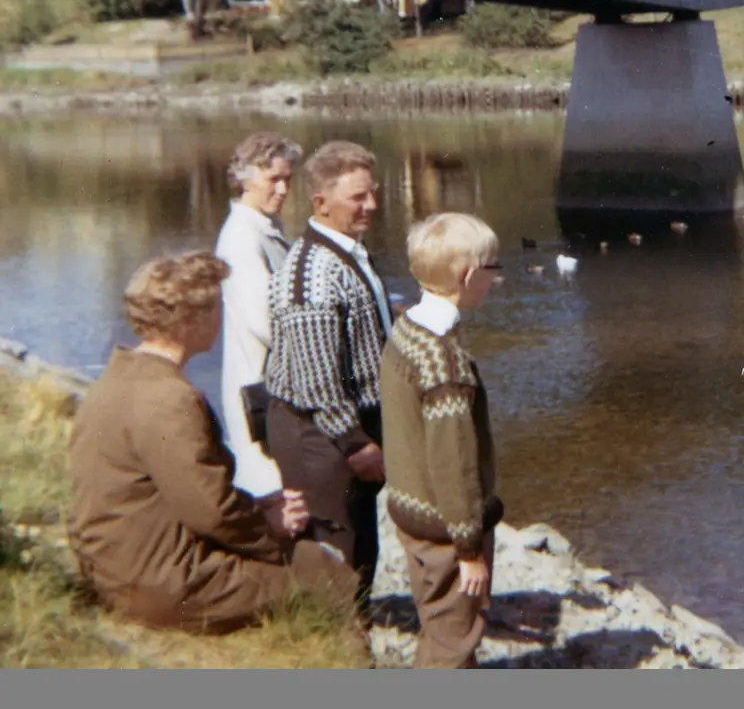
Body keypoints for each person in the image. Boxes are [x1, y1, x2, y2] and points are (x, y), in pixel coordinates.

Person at [66, 252, 359, 635]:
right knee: (325, 571)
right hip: (159, 585)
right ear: (190, 321)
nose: (221, 318)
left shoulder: (114, 380)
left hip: (110, 567)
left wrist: (258, 507)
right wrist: (271, 529)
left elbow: (180, 491)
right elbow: (211, 511)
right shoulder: (171, 400)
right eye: (216, 307)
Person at [265, 141, 392, 610]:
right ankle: (333, 645)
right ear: (321, 202)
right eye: (358, 197)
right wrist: (357, 444)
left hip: (340, 428)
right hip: (319, 433)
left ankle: (353, 633)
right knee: (335, 549)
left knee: (359, 543)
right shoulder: (310, 274)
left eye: (371, 194)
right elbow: (318, 380)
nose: (371, 206)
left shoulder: (348, 253)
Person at [379, 212, 505, 669]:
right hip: (444, 528)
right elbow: (454, 463)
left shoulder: (407, 327)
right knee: (454, 637)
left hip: (410, 510)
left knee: (440, 623)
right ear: (468, 276)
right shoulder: (443, 362)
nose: (495, 281)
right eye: (493, 271)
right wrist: (469, 549)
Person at [214, 131, 303, 498]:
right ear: (245, 179)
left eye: (288, 179)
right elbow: (265, 321)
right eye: (273, 180)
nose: (283, 189)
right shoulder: (241, 238)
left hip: (275, 387)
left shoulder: (265, 229)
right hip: (260, 389)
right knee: (274, 492)